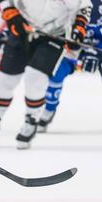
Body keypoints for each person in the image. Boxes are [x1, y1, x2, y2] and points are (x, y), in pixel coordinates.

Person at [0, 0, 93, 149]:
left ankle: (31, 120)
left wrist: (79, 28)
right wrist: (10, 13)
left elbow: (84, 7)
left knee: (35, 76)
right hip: (23, 29)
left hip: (54, 34)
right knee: (6, 78)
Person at [38, 0, 102, 132]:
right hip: (74, 46)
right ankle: (49, 109)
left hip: (99, 47)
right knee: (56, 72)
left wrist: (96, 51)